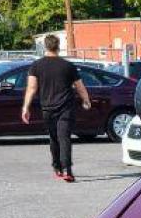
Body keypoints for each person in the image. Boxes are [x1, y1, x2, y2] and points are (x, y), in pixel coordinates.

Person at [21, 35, 91, 182]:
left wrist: (25, 108)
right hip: (66, 107)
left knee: (54, 138)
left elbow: (32, 88)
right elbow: (80, 86)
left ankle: (57, 167)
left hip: (47, 108)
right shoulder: (67, 66)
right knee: (64, 137)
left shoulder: (36, 66)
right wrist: (86, 100)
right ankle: (67, 170)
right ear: (58, 46)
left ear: (45, 47)